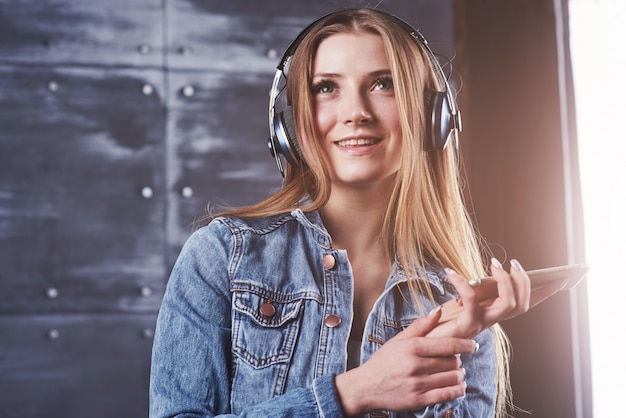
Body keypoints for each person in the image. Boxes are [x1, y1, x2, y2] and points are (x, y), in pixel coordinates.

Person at [150, 8, 561, 417]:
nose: (356, 112)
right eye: (326, 87)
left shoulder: (460, 306)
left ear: (431, 118)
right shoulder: (222, 256)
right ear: (289, 125)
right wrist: (351, 393)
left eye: (384, 84)